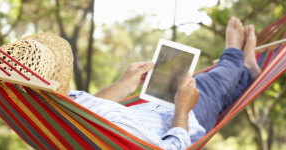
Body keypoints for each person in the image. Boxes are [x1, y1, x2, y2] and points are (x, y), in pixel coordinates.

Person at [68, 17, 261, 150]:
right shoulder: (56, 111)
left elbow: (87, 110)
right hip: (183, 120)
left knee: (218, 98)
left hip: (153, 107)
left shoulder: (59, 108)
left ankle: (247, 70)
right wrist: (182, 110)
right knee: (208, 83)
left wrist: (124, 85)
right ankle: (234, 54)